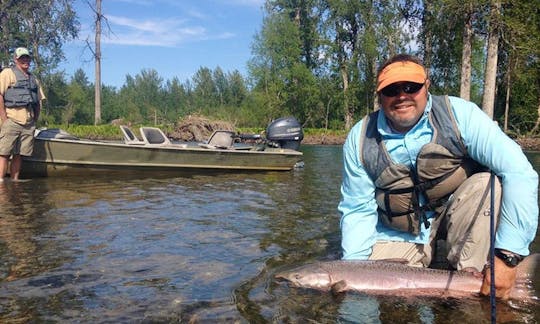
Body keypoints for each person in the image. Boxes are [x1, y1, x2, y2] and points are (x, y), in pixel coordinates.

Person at [338, 53, 538, 300]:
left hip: (461, 213)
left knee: (489, 184)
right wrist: (351, 270)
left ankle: (475, 282)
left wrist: (508, 256)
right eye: (391, 89)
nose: (402, 95)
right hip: (399, 233)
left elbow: (520, 173)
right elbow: (357, 210)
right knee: (372, 297)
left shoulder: (461, 115)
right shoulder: (359, 140)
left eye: (411, 86)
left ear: (426, 85)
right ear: (379, 95)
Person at [0, 47, 45, 181]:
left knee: (19, 154)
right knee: (4, 153)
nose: (25, 60)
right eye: (22, 58)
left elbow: (38, 101)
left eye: (27, 58)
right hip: (11, 120)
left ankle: (15, 182)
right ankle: (1, 183)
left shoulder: (34, 79)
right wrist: (4, 118)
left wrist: (35, 119)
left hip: (28, 123)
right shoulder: (7, 73)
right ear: (16, 59)